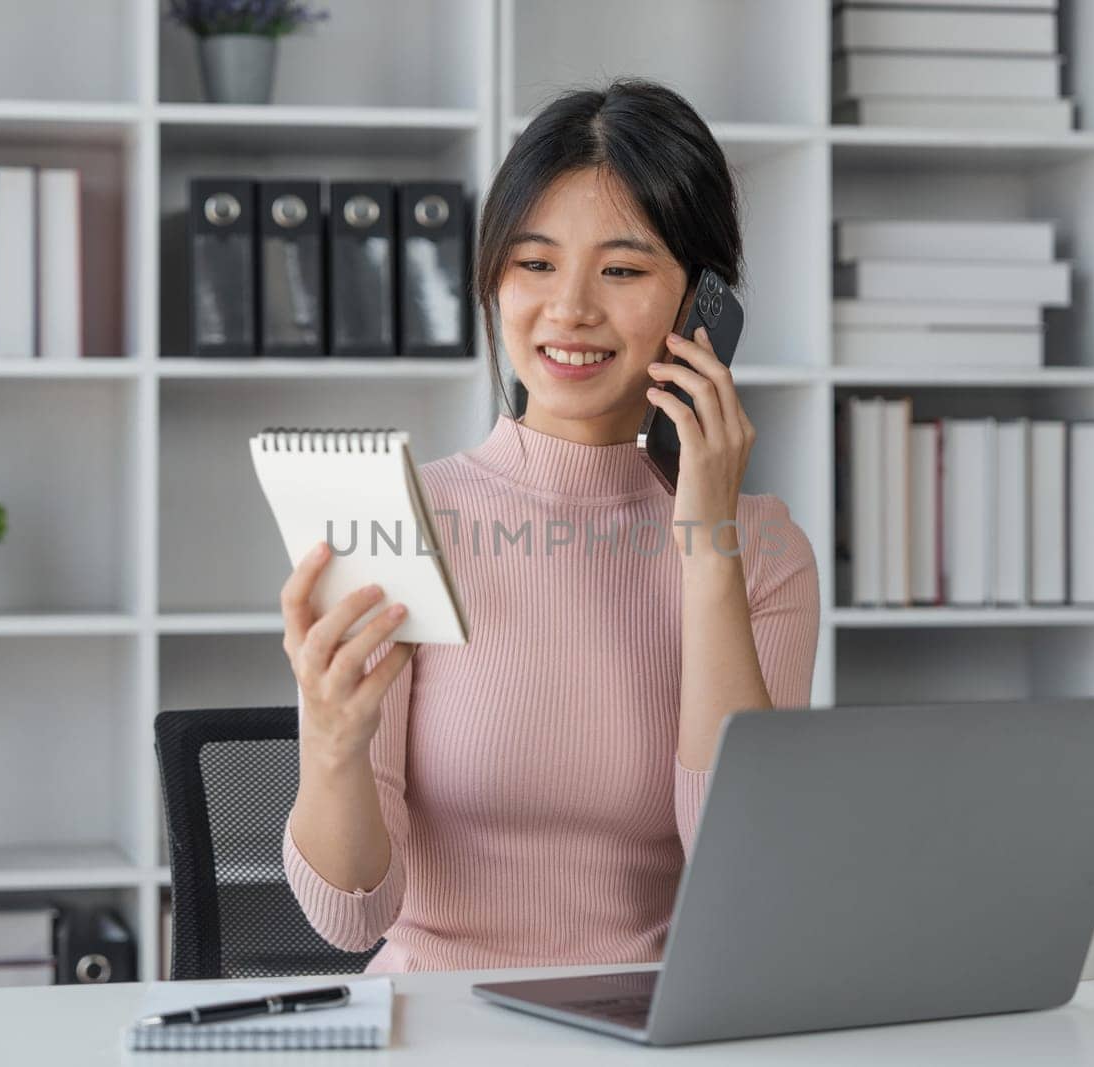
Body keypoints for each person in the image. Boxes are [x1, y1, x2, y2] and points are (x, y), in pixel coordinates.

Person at [278, 78, 821, 973]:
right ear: (494, 278)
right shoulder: (398, 520)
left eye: (623, 268)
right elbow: (348, 915)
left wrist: (708, 544)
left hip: (650, 1023)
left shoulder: (763, 551)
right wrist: (332, 747)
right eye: (534, 263)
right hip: (441, 1026)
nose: (569, 307)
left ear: (702, 308)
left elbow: (746, 867)